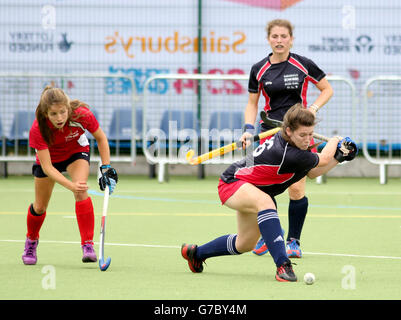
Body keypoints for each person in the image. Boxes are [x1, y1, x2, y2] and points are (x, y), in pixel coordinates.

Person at [181, 104, 357, 282]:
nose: (307, 139)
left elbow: (312, 172)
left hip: (253, 187)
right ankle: (283, 265)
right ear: (288, 131)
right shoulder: (288, 153)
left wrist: (339, 157)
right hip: (233, 182)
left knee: (245, 244)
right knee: (266, 203)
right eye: (303, 135)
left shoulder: (295, 146)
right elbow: (324, 158)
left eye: (311, 134)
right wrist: (336, 141)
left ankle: (196, 253)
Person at [241, 19, 334, 258]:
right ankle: (270, 233)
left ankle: (294, 241)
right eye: (275, 37)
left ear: (291, 39)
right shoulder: (259, 69)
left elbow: (327, 89)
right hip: (271, 132)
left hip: (299, 132)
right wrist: (247, 129)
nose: (279, 41)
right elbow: (252, 103)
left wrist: (311, 109)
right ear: (268, 39)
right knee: (264, 187)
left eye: (284, 36)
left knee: (296, 186)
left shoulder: (303, 64)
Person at [21, 86, 118, 265]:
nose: (59, 118)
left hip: (76, 152)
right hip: (50, 159)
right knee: (40, 206)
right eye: (54, 114)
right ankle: (31, 241)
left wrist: (106, 168)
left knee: (81, 189)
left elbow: (101, 138)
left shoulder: (81, 115)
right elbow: (49, 168)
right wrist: (69, 185)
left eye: (63, 112)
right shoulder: (38, 128)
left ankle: (88, 245)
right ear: (45, 113)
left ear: (68, 108)